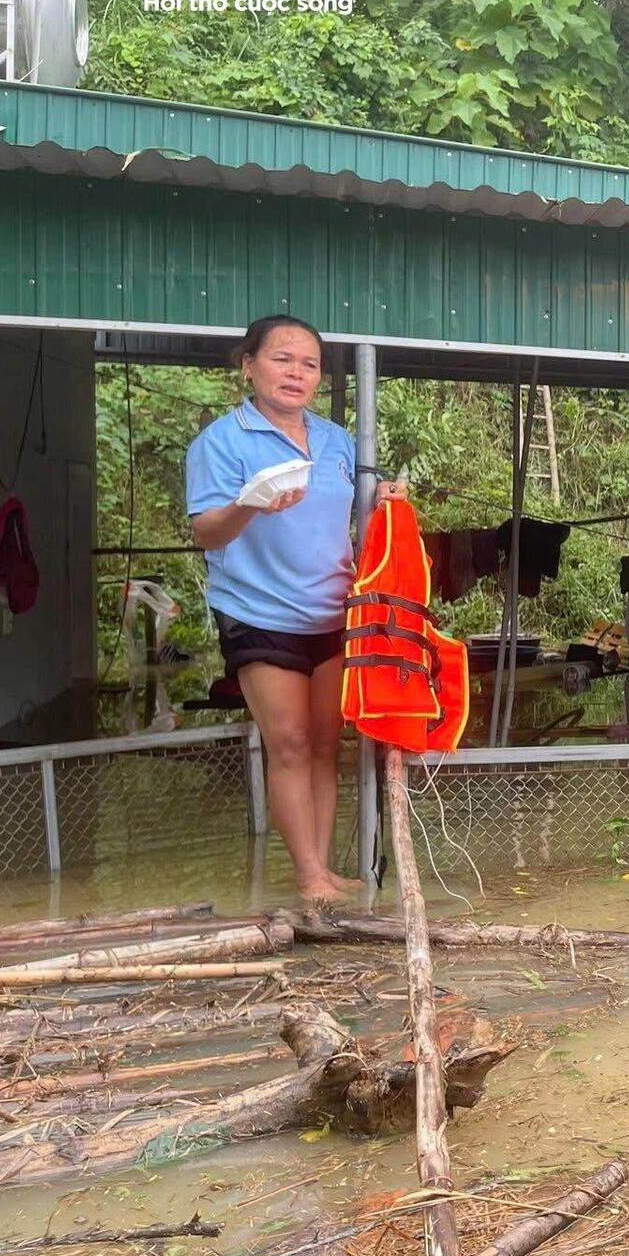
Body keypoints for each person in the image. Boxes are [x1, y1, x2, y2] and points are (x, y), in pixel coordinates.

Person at [187, 315, 366, 902]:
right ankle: (309, 876)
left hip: (332, 610)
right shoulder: (221, 441)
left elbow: (352, 514)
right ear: (249, 365)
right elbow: (207, 533)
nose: (296, 372)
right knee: (287, 742)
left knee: (324, 744)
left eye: (309, 363)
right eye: (281, 358)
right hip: (257, 610)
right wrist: (250, 504)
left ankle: (325, 868)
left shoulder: (338, 441)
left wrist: (385, 496)